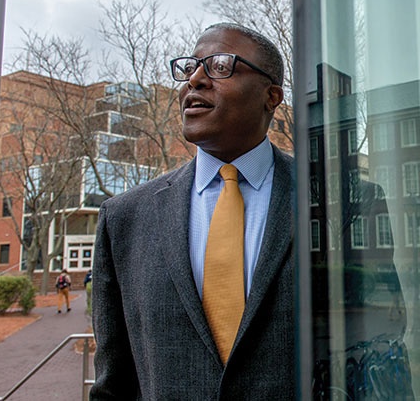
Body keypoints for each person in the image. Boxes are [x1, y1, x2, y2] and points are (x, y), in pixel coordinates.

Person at [90, 23, 293, 400]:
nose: (195, 80)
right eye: (189, 69)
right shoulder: (124, 219)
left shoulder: (336, 199)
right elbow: (113, 384)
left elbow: (376, 356)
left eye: (219, 66)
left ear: (272, 95)